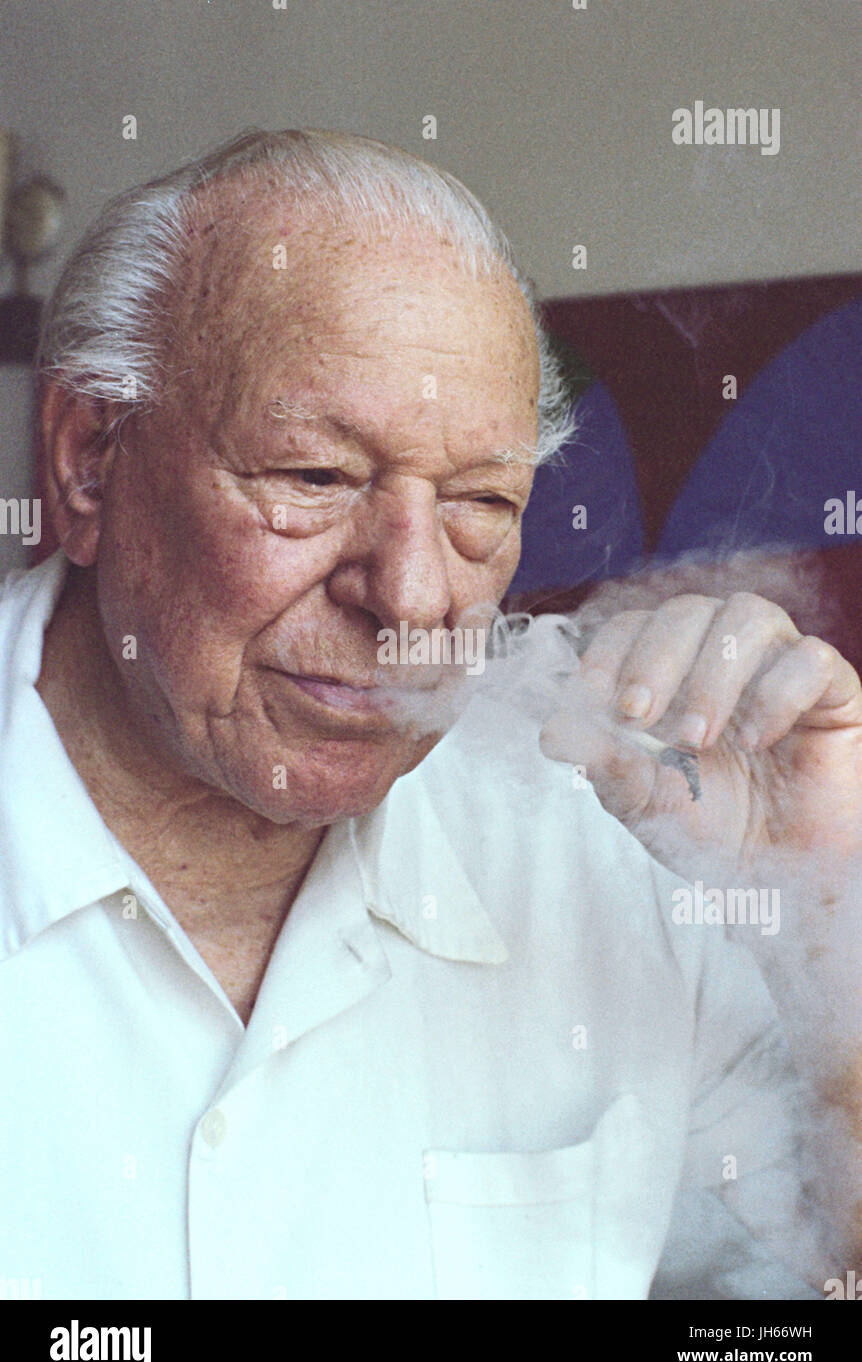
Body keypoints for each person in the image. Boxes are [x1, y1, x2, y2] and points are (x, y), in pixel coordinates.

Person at [0, 129, 858, 1300]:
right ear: (89, 461)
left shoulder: (620, 834)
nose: (409, 595)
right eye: (314, 479)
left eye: (479, 503)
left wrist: (831, 917)